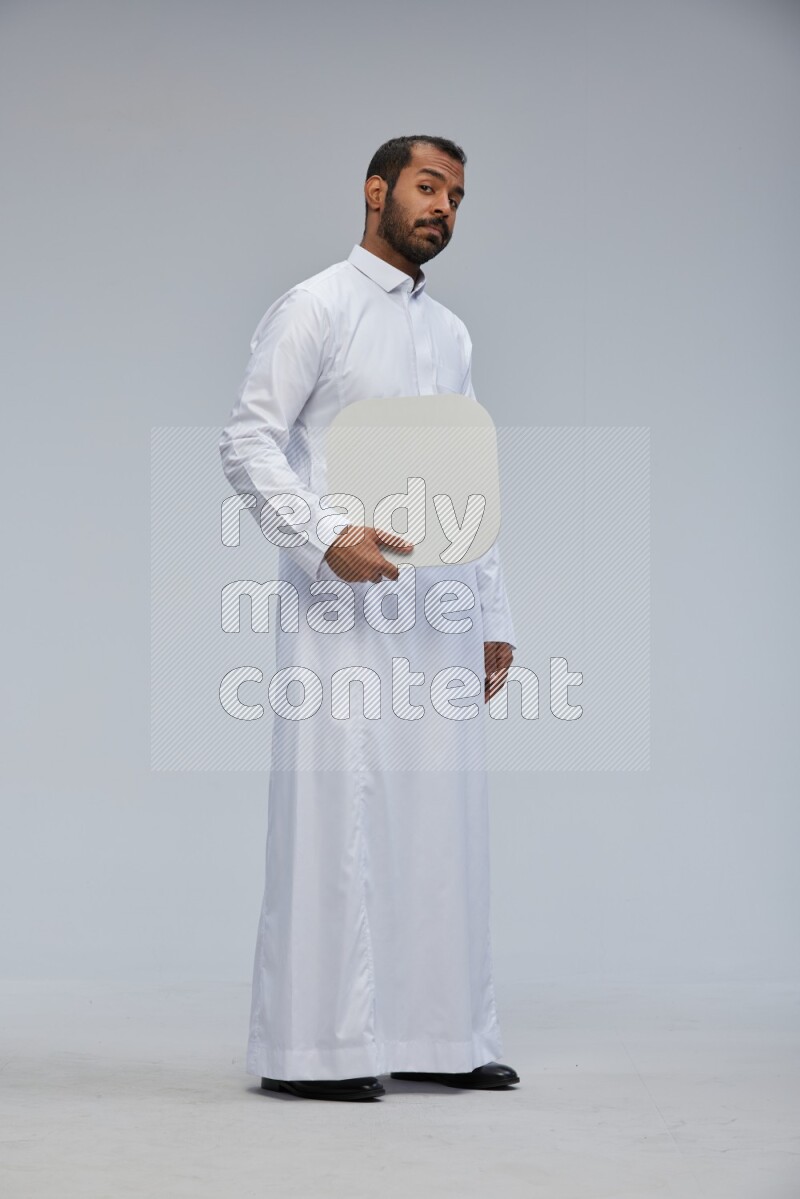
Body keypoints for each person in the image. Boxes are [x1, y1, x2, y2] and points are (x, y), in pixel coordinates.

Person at [219, 134, 520, 1102]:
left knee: (441, 816)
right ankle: (316, 1047)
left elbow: (469, 477)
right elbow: (248, 442)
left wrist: (492, 612)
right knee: (335, 813)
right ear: (376, 189)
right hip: (341, 607)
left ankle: (442, 1033)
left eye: (457, 196)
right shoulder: (316, 306)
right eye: (429, 187)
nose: (443, 208)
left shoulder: (453, 334)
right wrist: (320, 535)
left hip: (440, 608)